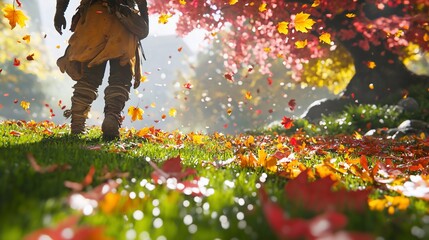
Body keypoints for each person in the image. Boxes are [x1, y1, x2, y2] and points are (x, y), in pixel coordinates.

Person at [54, 0, 149, 140]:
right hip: (123, 19)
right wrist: (144, 19)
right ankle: (111, 118)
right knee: (121, 77)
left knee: (89, 78)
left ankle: (77, 124)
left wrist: (60, 12)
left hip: (94, 18)